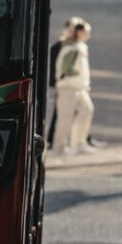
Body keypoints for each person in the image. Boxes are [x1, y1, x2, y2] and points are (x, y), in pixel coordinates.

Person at [52, 19, 96, 156]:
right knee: (65, 117)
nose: (89, 35)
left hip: (80, 88)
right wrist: (76, 77)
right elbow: (66, 69)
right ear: (80, 32)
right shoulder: (71, 48)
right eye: (87, 32)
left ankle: (79, 143)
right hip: (68, 88)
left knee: (87, 110)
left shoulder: (80, 47)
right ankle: (60, 146)